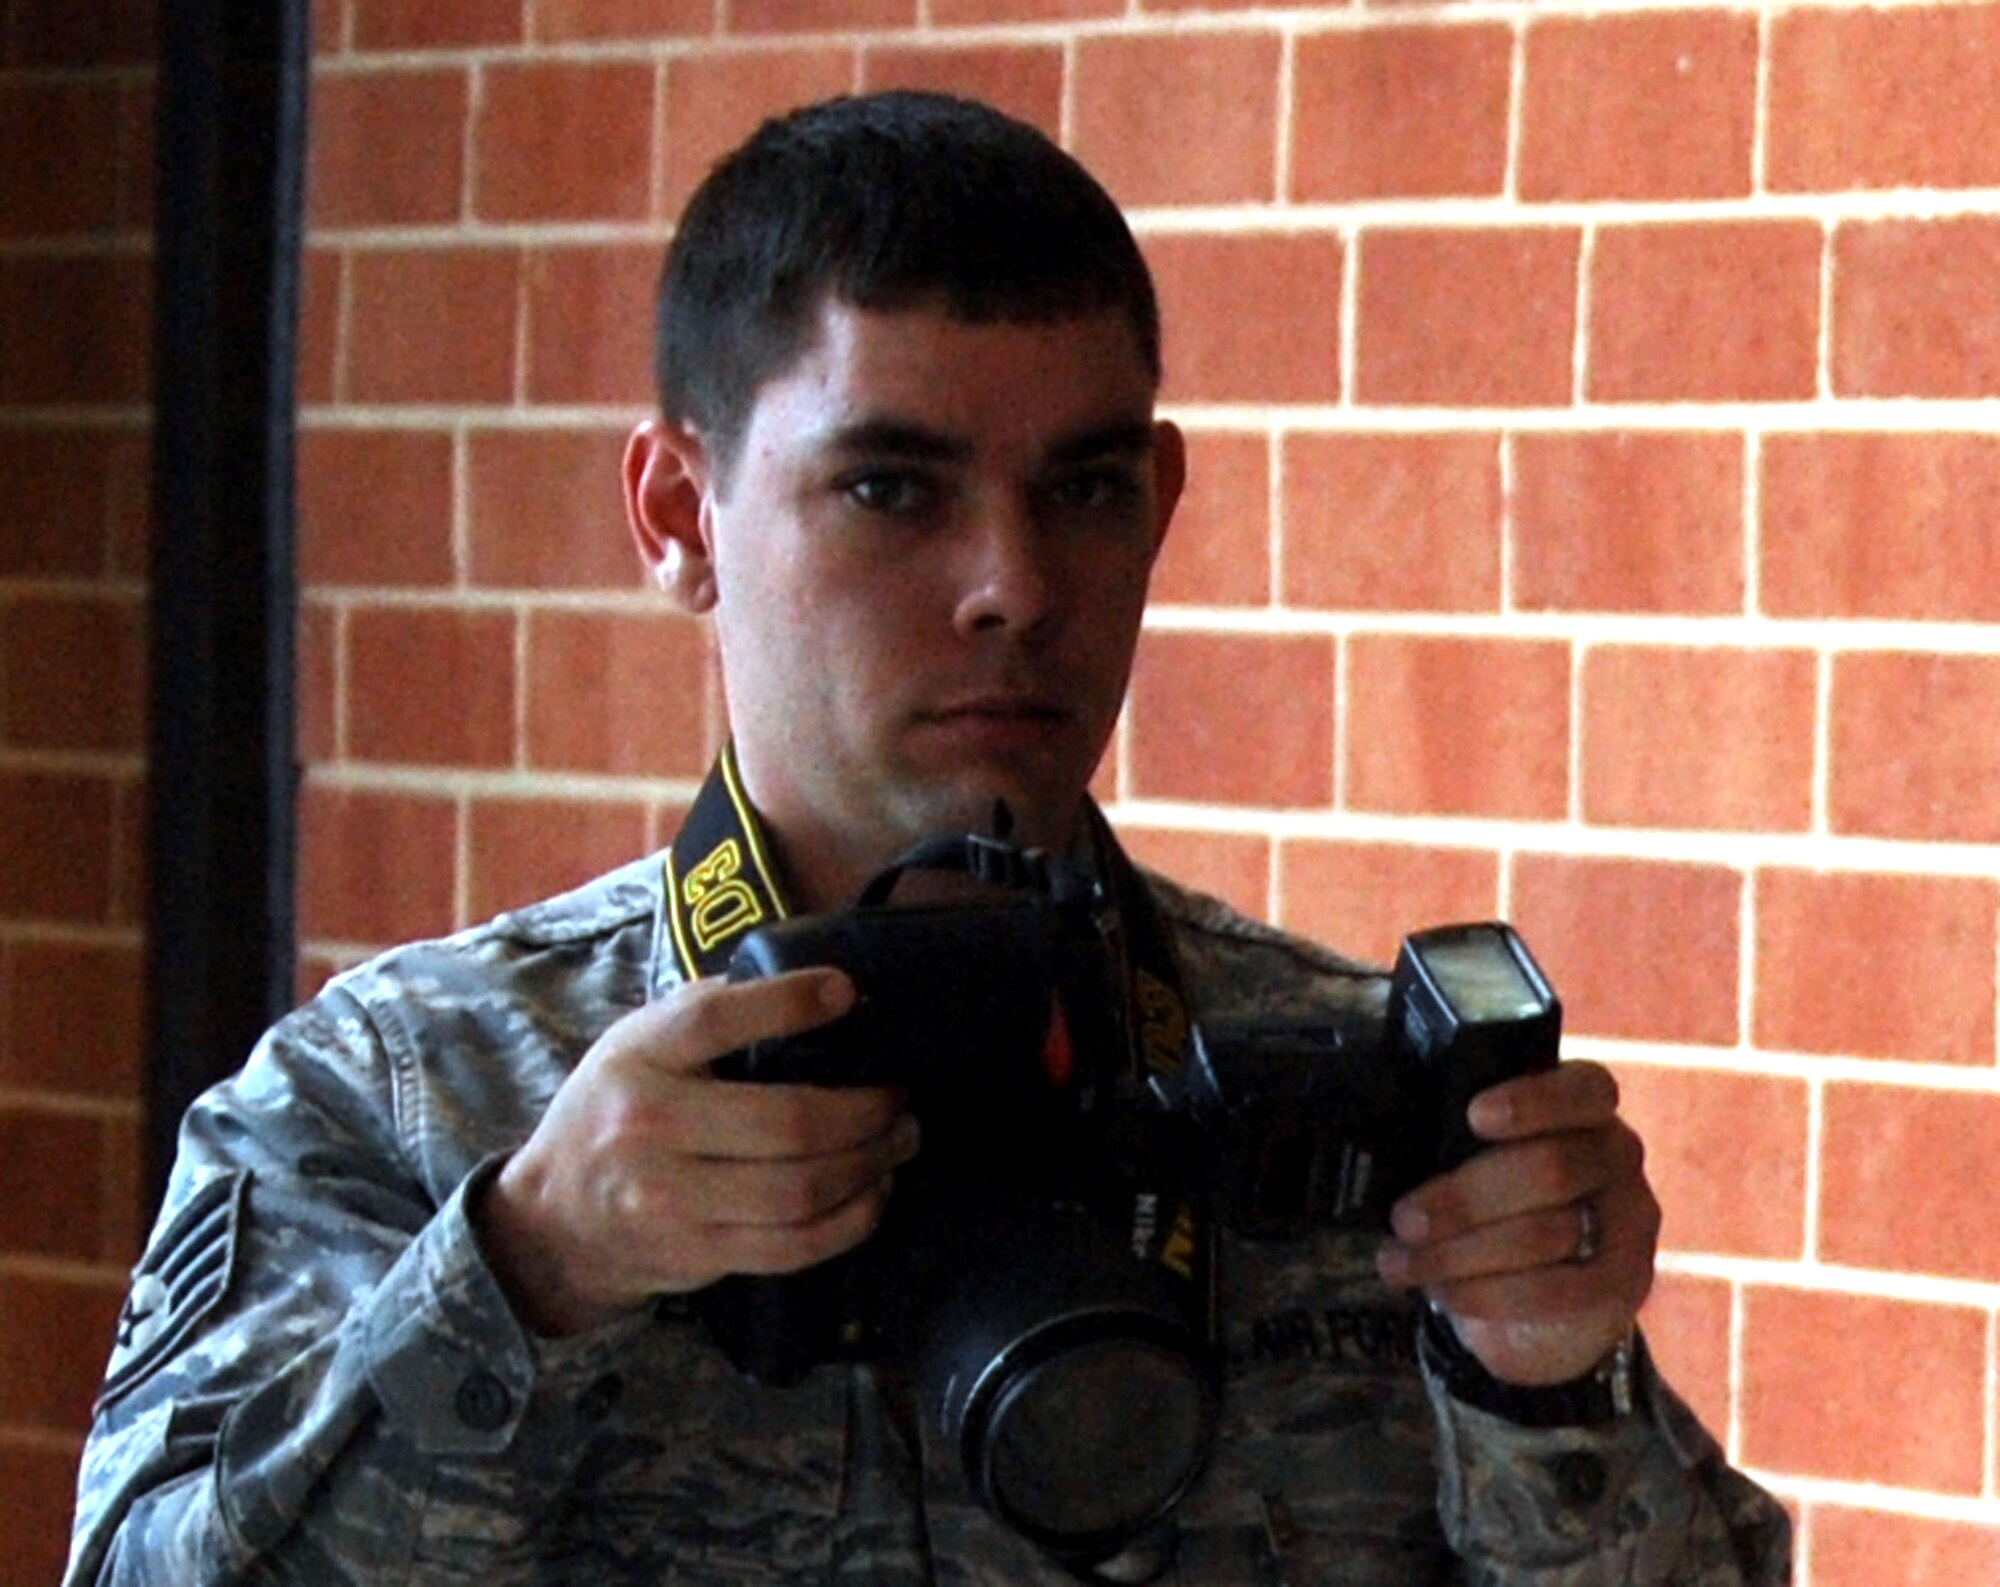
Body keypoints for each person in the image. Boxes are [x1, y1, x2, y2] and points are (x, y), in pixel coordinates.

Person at [66, 92, 1790, 1585]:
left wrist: (1549, 1389)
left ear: (1164, 501)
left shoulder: (1338, 1103)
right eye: (892, 488)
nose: (1013, 588)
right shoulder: (412, 1097)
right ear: (681, 516)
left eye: (1088, 489)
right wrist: (526, 1276)